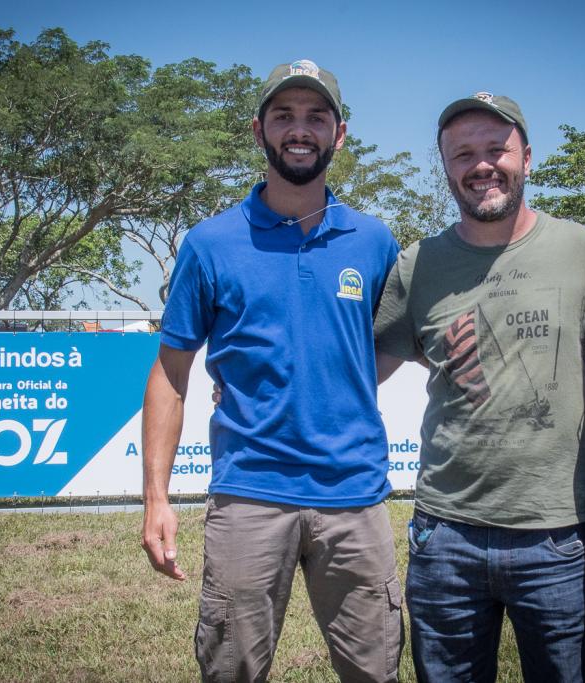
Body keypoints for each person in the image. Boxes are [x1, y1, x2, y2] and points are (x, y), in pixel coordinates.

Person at [140, 59, 403, 683]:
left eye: (317, 116)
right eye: (284, 116)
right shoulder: (210, 242)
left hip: (355, 498)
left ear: (340, 133)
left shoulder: (374, 241)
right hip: (249, 495)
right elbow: (170, 373)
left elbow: (389, 346)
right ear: (259, 130)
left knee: (377, 672)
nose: (300, 129)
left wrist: (337, 383)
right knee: (230, 671)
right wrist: (156, 498)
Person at [374, 92, 585, 682]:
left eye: (496, 150)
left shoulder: (581, 251)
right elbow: (363, 369)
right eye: (463, 154)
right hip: (445, 536)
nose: (481, 165)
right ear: (447, 169)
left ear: (527, 158)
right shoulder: (418, 265)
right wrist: (256, 385)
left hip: (558, 534)